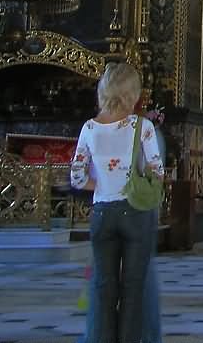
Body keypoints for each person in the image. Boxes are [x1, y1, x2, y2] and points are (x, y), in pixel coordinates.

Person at [70, 63, 163, 343]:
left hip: (102, 213)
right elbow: (156, 172)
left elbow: (76, 177)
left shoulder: (89, 128)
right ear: (132, 93)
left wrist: (101, 183)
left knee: (103, 286)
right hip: (135, 213)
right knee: (133, 288)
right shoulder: (142, 126)